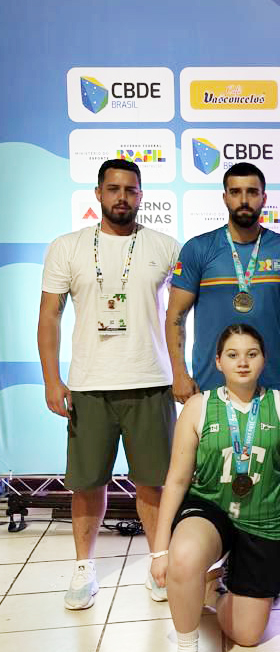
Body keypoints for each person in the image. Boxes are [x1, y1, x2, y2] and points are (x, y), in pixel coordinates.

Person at [38, 158, 179, 610]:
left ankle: (159, 564)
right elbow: (49, 316)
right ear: (98, 193)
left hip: (151, 382)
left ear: (141, 196)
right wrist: (52, 379)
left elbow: (180, 315)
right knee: (87, 484)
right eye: (113, 188)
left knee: (154, 484)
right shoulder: (68, 247)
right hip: (89, 385)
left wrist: (182, 372)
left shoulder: (165, 247)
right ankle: (84, 569)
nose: (122, 197)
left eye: (130, 190)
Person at [150, 324, 280, 652]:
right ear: (218, 361)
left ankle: (212, 587)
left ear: (264, 359)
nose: (243, 362)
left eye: (252, 354)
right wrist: (160, 549)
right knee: (184, 556)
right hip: (211, 508)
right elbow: (177, 480)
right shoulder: (198, 407)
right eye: (233, 355)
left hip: (262, 517)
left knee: (247, 635)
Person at [165, 163, 280, 400]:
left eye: (252, 192)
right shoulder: (198, 248)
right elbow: (175, 316)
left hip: (272, 382)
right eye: (235, 192)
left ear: (264, 198)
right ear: (225, 198)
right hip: (211, 384)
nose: (243, 200)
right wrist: (179, 374)